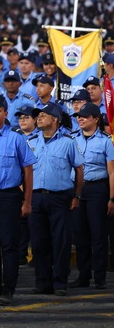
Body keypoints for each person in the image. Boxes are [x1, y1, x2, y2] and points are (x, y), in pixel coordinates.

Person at [28, 101, 83, 296]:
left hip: (60, 197)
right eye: (38, 115)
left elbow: (79, 169)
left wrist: (77, 195)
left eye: (43, 115)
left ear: (55, 120)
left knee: (61, 241)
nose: (39, 118)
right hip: (35, 197)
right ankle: (42, 282)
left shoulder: (68, 142)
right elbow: (24, 170)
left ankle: (60, 283)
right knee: (38, 242)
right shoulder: (31, 141)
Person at [71, 103, 114, 290]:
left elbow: (112, 172)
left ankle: (100, 277)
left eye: (85, 116)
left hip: (97, 189)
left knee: (98, 235)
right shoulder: (73, 139)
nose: (80, 119)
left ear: (96, 119)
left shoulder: (105, 141)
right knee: (80, 235)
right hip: (77, 190)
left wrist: (112, 198)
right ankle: (83, 275)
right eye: (79, 116)